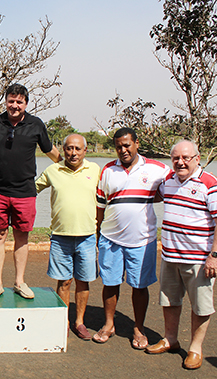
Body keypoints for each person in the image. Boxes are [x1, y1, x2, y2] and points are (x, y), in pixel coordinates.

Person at [145, 140, 217, 370]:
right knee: (170, 301)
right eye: (175, 158)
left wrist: (215, 254)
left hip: (199, 259)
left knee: (200, 306)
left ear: (197, 158)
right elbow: (150, 196)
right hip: (171, 255)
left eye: (186, 158)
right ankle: (170, 339)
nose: (180, 162)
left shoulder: (210, 184)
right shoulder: (168, 182)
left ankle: (195, 349)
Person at [0, 83, 60, 301]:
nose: (14, 106)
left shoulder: (36, 124)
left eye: (19, 102)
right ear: (6, 101)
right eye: (11, 101)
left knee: (22, 236)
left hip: (25, 190)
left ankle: (19, 282)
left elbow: (49, 150)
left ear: (26, 104)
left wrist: (70, 165)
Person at [94, 127, 170, 348]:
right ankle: (109, 324)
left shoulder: (158, 169)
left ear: (137, 144)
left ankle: (139, 328)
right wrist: (99, 233)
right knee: (110, 283)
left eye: (127, 145)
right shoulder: (108, 170)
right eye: (119, 146)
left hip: (142, 240)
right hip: (110, 238)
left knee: (139, 286)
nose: (123, 150)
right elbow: (100, 205)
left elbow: (173, 187)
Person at [35, 134, 100, 340]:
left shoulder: (96, 170)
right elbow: (30, 190)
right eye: (69, 149)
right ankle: (63, 320)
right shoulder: (53, 171)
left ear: (85, 151)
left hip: (87, 236)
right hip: (61, 237)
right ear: (63, 150)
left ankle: (79, 322)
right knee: (64, 282)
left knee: (83, 281)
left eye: (77, 149)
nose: (73, 153)